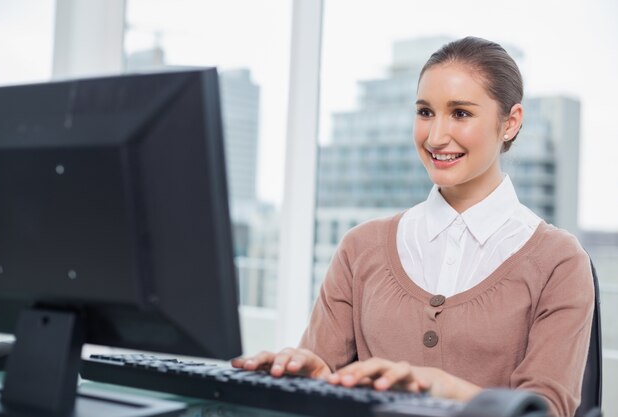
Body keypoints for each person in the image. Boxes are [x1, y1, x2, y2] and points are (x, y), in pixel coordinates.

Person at [232, 36, 594, 417]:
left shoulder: (560, 261)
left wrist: (444, 389)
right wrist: (312, 379)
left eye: (460, 113)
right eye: (425, 112)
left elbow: (548, 411)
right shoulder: (361, 248)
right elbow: (320, 376)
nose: (435, 137)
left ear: (511, 122)